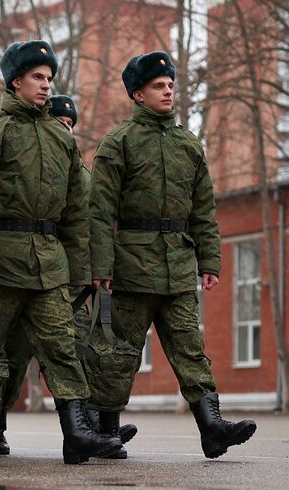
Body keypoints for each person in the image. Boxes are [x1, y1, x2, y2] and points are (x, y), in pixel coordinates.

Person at [0, 41, 120, 465]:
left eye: (49, 78)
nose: (46, 86)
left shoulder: (60, 140)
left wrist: (83, 272)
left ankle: (78, 433)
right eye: (37, 78)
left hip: (48, 264)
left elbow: (77, 214)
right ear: (16, 81)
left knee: (62, 346)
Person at [89, 51, 256, 458]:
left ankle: (211, 427)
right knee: (119, 354)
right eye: (158, 87)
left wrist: (209, 261)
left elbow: (203, 210)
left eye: (170, 86)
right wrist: (101, 268)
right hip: (131, 266)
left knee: (189, 346)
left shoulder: (188, 145)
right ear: (138, 94)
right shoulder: (119, 143)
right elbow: (99, 212)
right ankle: (106, 432)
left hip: (178, 266)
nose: (167, 93)